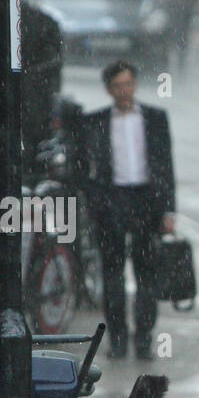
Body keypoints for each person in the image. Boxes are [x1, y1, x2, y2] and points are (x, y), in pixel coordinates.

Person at [77, 60, 176, 360]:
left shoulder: (155, 118)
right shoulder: (94, 122)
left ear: (135, 85)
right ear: (108, 89)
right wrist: (96, 200)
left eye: (128, 84)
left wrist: (169, 210)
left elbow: (166, 167)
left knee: (146, 274)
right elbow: (82, 168)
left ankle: (144, 337)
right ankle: (117, 338)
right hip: (112, 200)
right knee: (113, 274)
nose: (123, 91)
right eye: (117, 86)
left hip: (147, 200)